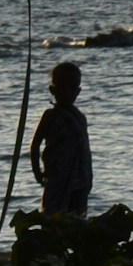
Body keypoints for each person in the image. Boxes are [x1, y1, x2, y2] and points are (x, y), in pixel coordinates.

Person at [30, 60, 93, 215]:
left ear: (78, 91)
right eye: (62, 88)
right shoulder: (50, 116)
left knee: (77, 218)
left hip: (79, 179)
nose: (66, 92)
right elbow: (35, 144)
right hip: (57, 177)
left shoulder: (79, 117)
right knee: (53, 216)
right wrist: (37, 171)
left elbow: (85, 150)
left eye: (71, 88)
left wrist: (88, 177)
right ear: (53, 89)